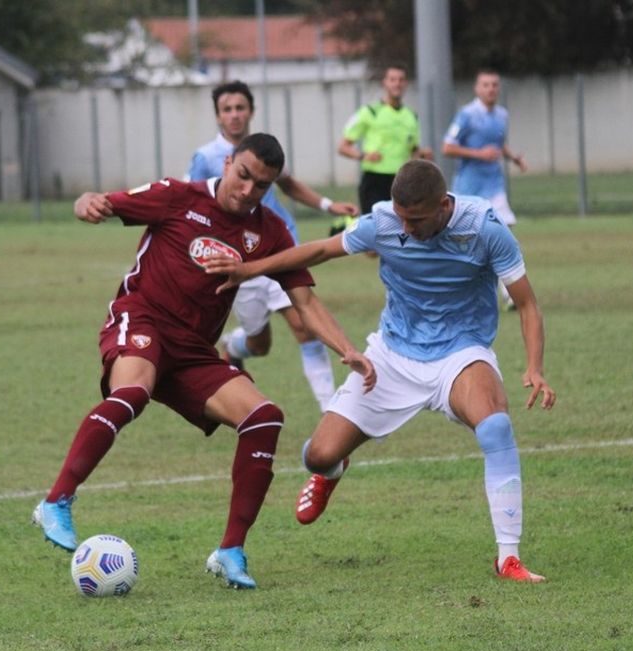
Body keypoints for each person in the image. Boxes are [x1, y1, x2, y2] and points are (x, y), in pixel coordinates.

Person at [33, 133, 376, 590]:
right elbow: (100, 202)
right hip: (143, 319)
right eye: (243, 176)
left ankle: (230, 551)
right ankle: (56, 502)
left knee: (264, 418)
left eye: (261, 185)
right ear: (228, 162)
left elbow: (306, 302)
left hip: (194, 351)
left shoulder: (270, 231)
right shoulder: (177, 196)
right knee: (132, 393)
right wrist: (85, 202)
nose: (248, 190)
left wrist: (346, 349)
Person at [205, 159, 555, 583]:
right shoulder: (383, 222)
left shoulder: (484, 227)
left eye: (416, 220)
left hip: (460, 354)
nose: (405, 229)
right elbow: (320, 251)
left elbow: (528, 304)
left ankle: (508, 557)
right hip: (390, 356)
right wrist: (249, 269)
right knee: (317, 455)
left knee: (496, 427)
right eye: (401, 217)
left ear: (444, 205)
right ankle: (334, 469)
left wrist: (535, 367)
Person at [187, 80, 359, 411]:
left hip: (281, 248)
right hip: (238, 262)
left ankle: (330, 409)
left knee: (304, 327)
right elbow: (192, 203)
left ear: (251, 111)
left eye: (240, 108)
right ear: (218, 116)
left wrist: (328, 205)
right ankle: (235, 347)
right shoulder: (206, 157)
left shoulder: (266, 151)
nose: (234, 115)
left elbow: (289, 184)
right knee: (259, 344)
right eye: (227, 109)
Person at [442, 69, 528, 310]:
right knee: (464, 242)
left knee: (505, 233)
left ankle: (510, 294)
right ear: (477, 88)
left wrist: (514, 158)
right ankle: (455, 291)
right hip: (468, 188)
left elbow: (499, 144)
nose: (491, 89)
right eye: (486, 85)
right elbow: (447, 147)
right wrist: (479, 154)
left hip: (494, 186)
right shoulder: (467, 115)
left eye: (494, 85)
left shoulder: (502, 115)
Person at [338, 63, 433, 221]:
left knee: (404, 227)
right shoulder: (370, 112)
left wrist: (422, 154)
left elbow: (413, 150)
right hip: (375, 180)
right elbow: (343, 147)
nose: (397, 83)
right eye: (392, 79)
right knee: (376, 227)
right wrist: (363, 156)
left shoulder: (411, 116)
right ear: (385, 82)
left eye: (401, 80)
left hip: (402, 181)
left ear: (406, 83)